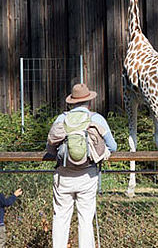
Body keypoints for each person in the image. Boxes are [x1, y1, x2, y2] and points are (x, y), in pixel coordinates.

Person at [49, 83, 118, 248]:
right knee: (85, 220)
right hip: (88, 175)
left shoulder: (61, 119)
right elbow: (113, 146)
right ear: (89, 102)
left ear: (71, 102)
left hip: (63, 176)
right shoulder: (96, 118)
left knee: (60, 217)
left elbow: (50, 148)